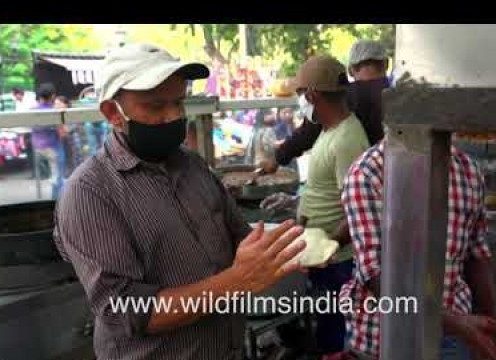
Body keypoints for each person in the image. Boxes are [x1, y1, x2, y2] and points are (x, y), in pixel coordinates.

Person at [53, 43, 307, 360]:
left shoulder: (193, 165)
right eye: (155, 106)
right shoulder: (90, 193)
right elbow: (128, 309)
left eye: (178, 102)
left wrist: (293, 248)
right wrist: (235, 281)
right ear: (112, 113)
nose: (174, 116)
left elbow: (237, 234)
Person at [340, 140, 496, 360]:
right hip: (383, 337)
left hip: (453, 338)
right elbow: (378, 277)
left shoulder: (468, 170)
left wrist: (493, 312)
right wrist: (459, 325)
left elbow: (476, 251)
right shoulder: (367, 174)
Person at [291, 54, 370, 359]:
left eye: (300, 94)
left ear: (312, 95)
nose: (301, 101)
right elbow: (329, 190)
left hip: (339, 263)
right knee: (327, 331)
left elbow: (357, 211)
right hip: (327, 259)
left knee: (337, 338)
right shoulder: (329, 131)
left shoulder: (347, 139)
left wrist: (327, 246)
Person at [260, 39, 390, 174]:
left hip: (358, 179)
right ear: (386, 64)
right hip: (394, 180)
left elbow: (307, 133)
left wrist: (277, 158)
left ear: (351, 70)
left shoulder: (343, 99)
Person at [31, 83, 67, 199]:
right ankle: (56, 202)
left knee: (49, 175)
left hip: (38, 148)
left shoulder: (32, 110)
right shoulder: (54, 111)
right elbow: (62, 133)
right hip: (53, 148)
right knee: (58, 177)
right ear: (52, 96)